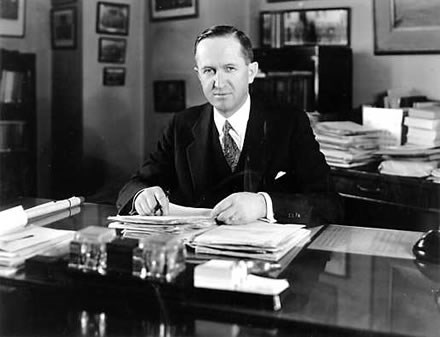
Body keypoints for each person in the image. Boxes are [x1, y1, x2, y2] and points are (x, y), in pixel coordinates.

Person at [117, 25, 342, 226]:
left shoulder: (289, 122)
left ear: (251, 72)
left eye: (230, 69)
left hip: (268, 264)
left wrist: (264, 204)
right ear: (199, 75)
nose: (219, 82)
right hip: (199, 259)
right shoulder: (182, 125)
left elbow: (329, 203)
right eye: (209, 71)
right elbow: (135, 185)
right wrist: (141, 196)